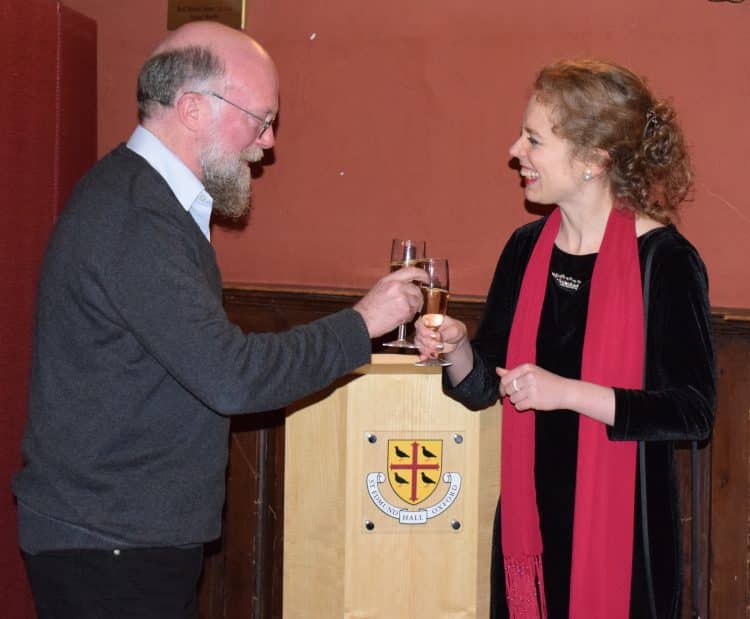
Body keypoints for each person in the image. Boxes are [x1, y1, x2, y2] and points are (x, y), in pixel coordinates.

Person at [12, 20, 426, 619]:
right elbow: (230, 376)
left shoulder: (146, 200)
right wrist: (362, 322)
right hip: (107, 543)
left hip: (118, 536)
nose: (267, 142)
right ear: (192, 109)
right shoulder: (137, 216)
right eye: (260, 118)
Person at [415, 59, 716, 618]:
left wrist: (568, 392)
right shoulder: (526, 248)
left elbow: (693, 412)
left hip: (627, 537)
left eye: (534, 139)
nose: (515, 150)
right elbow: (487, 386)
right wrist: (456, 347)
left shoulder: (666, 262)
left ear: (593, 160)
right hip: (529, 530)